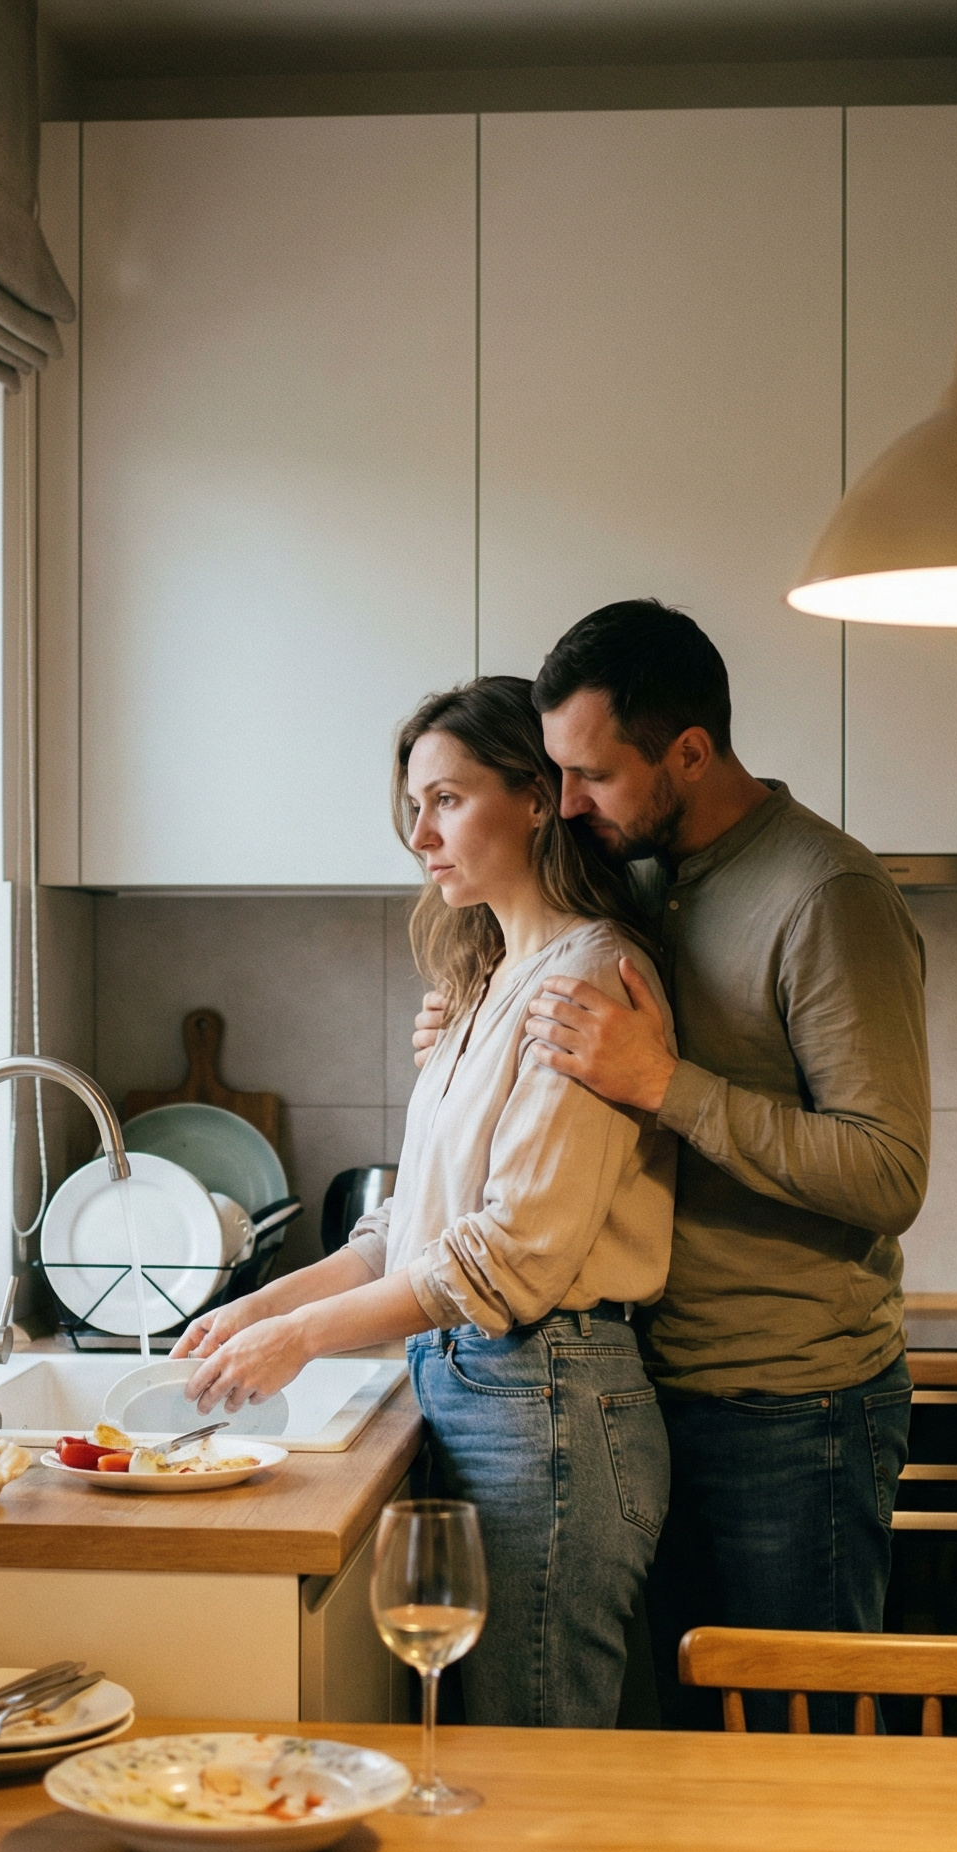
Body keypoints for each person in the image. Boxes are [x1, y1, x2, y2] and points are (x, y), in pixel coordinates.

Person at [414, 601, 930, 1732]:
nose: (567, 804)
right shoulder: (642, 873)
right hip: (650, 1386)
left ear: (689, 753)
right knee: (686, 1777)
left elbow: (888, 1170)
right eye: (556, 773)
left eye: (593, 775)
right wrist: (474, 1027)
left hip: (792, 1405)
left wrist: (666, 1083)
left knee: (795, 1763)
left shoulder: (825, 896)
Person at [174, 674, 677, 1729]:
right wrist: (259, 1307)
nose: (419, 835)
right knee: (485, 1756)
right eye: (414, 805)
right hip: (479, 1390)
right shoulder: (487, 980)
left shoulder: (589, 980)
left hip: (547, 1400)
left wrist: (300, 1337)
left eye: (446, 799)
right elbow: (402, 1231)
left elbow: (511, 1254)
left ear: (535, 797)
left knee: (530, 1758)